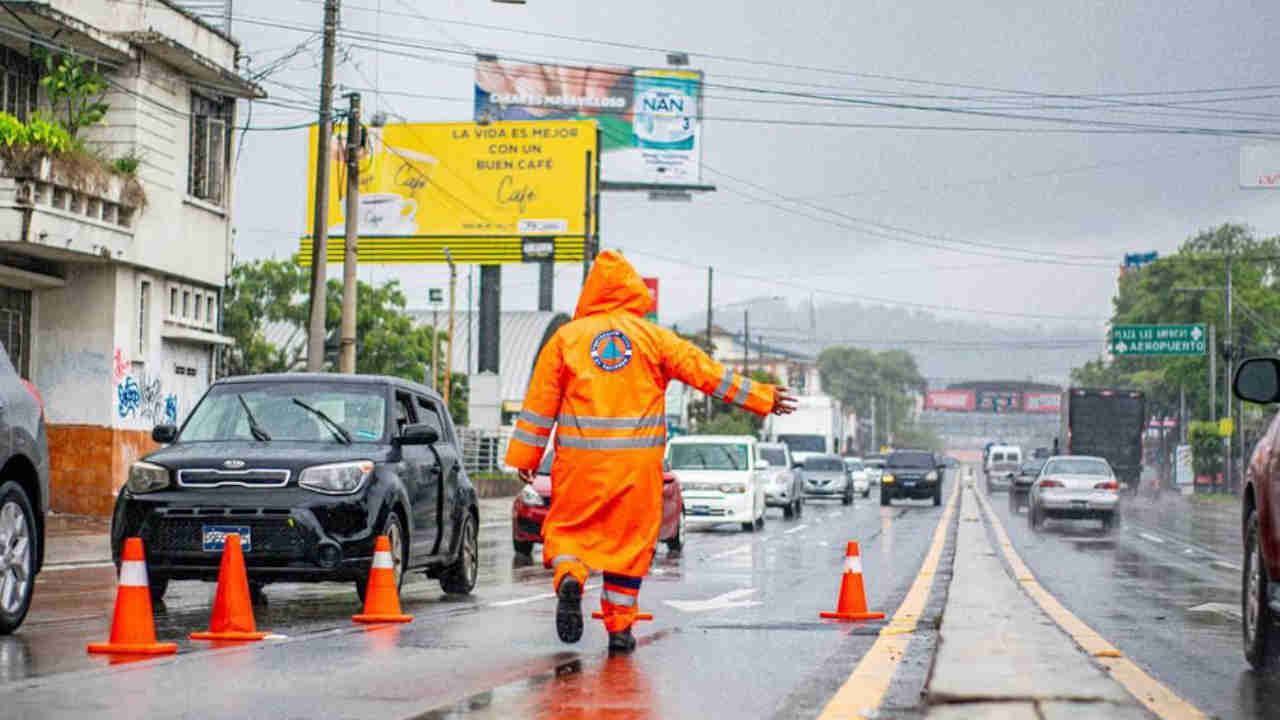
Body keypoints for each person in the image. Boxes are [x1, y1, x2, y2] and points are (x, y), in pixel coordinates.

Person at [505, 250, 796, 653]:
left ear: (592, 291)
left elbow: (540, 403)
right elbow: (707, 373)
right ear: (632, 290)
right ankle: (620, 629)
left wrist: (526, 458)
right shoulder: (653, 338)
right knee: (629, 544)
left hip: (579, 468)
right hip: (636, 469)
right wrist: (762, 396)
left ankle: (570, 578)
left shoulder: (566, 339)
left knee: (570, 535)